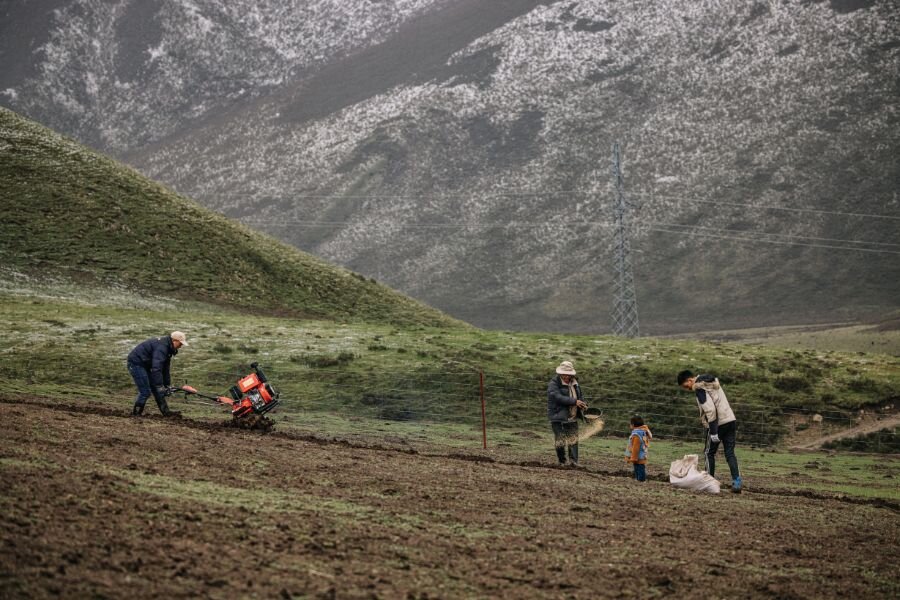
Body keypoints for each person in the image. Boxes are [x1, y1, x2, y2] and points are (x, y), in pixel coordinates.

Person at [677, 370, 742, 493]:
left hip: (717, 423)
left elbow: (710, 410)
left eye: (686, 386)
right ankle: (737, 481)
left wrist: (713, 431)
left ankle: (709, 481)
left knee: (709, 453)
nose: (687, 389)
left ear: (690, 380)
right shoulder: (711, 381)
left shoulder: (699, 387)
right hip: (730, 419)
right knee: (730, 453)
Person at [127, 331, 189, 417]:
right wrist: (159, 386)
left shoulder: (168, 349)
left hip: (145, 364)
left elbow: (165, 369)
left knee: (157, 391)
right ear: (174, 340)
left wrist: (166, 385)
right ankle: (136, 415)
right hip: (136, 363)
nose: (181, 346)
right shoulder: (162, 348)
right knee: (145, 392)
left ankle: (167, 414)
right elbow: (157, 368)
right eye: (180, 344)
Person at [547, 360, 587, 466]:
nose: (566, 376)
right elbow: (557, 397)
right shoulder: (553, 384)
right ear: (560, 373)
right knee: (560, 439)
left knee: (573, 439)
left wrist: (583, 404)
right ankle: (562, 461)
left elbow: (580, 396)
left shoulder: (575, 383)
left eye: (568, 374)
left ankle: (574, 462)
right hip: (558, 416)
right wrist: (575, 401)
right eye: (564, 374)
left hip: (572, 415)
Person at [625, 415, 652, 482]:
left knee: (639, 468)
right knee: (640, 467)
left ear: (633, 425)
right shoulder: (643, 431)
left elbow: (635, 448)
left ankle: (641, 481)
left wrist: (633, 458)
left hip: (637, 456)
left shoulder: (636, 435)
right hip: (643, 454)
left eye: (630, 424)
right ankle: (639, 479)